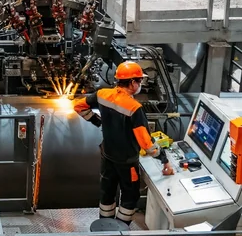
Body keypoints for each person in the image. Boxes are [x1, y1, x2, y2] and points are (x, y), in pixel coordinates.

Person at [74, 60, 173, 224]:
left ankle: (106, 231)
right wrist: (163, 159)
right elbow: (147, 144)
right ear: (133, 83)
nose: (141, 84)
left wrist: (97, 121)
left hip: (107, 156)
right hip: (127, 163)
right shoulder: (134, 108)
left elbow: (78, 106)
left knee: (107, 193)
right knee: (129, 197)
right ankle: (120, 232)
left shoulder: (102, 94)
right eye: (140, 81)